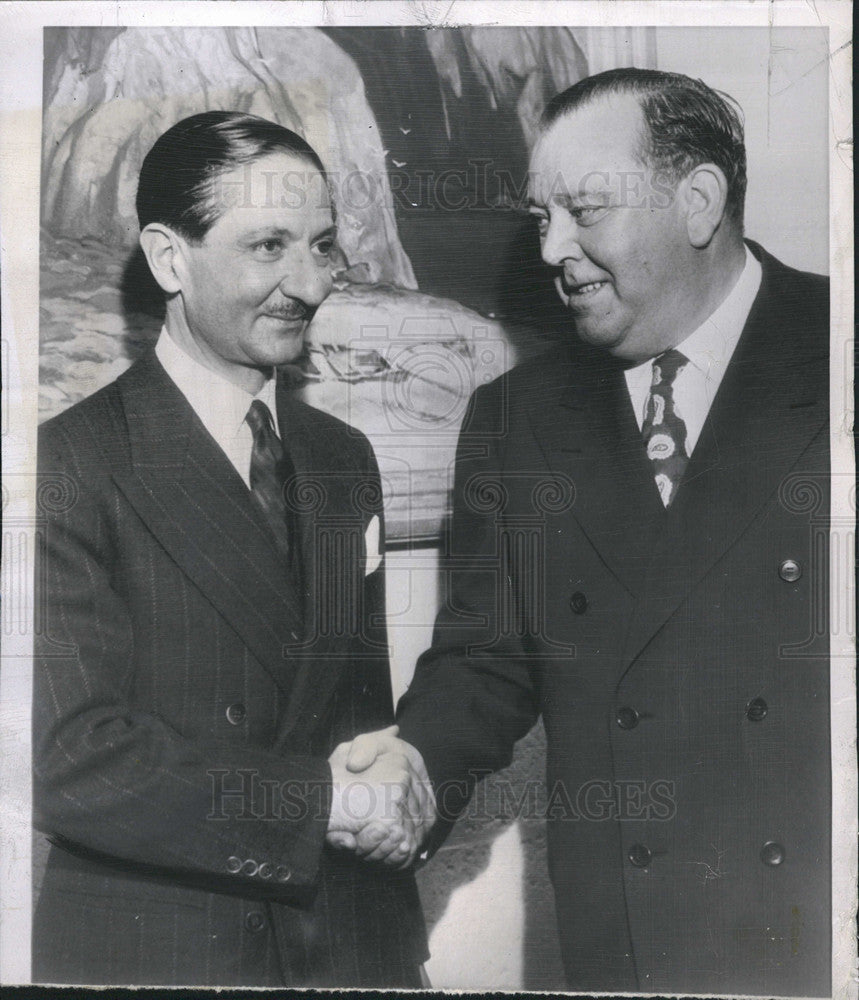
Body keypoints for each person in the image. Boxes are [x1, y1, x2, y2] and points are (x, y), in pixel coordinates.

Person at [391, 69, 831, 994]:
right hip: (629, 945)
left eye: (582, 211)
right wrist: (407, 772)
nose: (552, 248)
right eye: (540, 217)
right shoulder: (516, 419)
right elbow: (482, 663)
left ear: (699, 201)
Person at [32, 111, 434, 988]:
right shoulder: (65, 465)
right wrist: (320, 802)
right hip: (164, 948)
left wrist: (398, 776)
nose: (310, 283)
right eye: (267, 247)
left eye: (322, 247)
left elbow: (355, 714)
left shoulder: (341, 459)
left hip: (350, 943)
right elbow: (72, 761)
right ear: (171, 259)